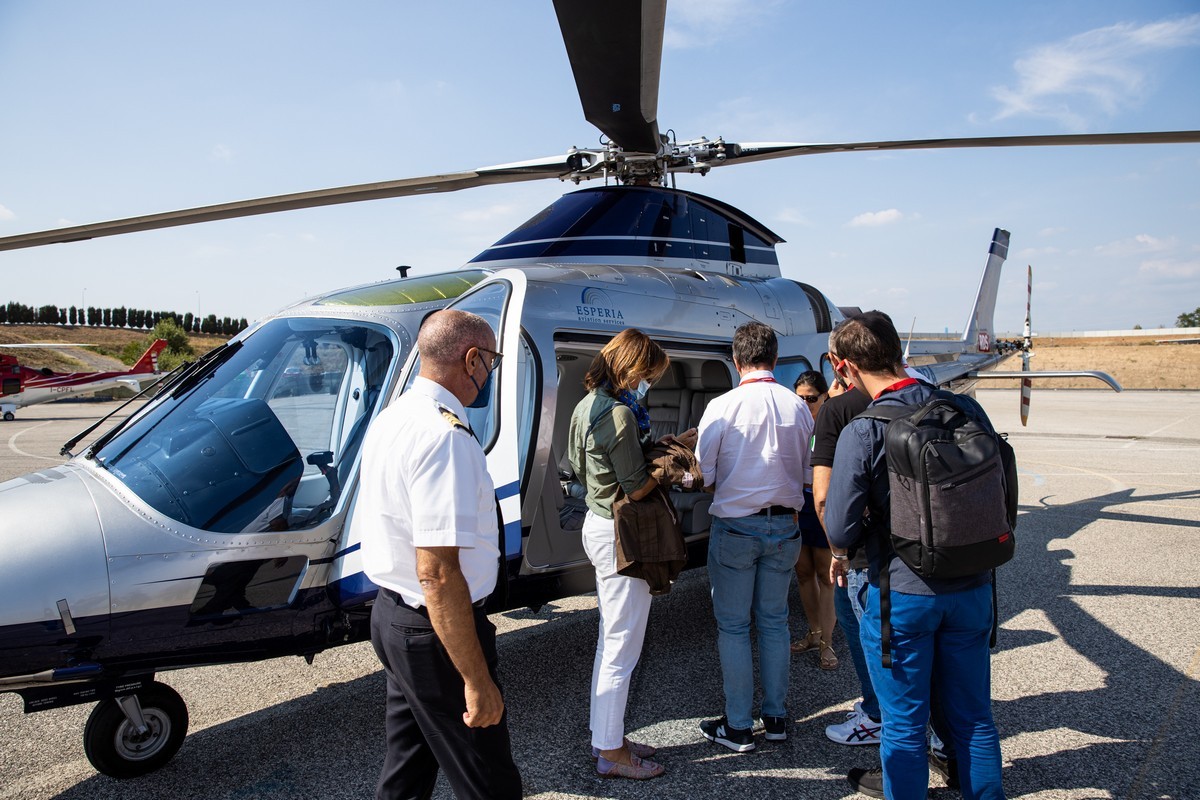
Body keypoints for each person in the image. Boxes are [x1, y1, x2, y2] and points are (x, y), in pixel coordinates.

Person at [825, 312, 1004, 800]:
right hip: (971, 586)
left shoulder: (865, 429)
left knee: (905, 725)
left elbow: (838, 527)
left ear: (844, 367)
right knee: (973, 719)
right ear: (897, 352)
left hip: (900, 594)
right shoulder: (967, 410)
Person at [353, 309, 523, 800]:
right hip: (435, 630)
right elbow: (438, 574)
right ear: (471, 360)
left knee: (407, 769)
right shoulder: (445, 435)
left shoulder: (395, 416)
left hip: (393, 616)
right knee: (489, 781)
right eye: (490, 361)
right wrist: (475, 679)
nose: (489, 372)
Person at [696, 321, 813, 751]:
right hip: (785, 526)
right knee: (775, 622)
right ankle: (777, 717)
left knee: (733, 626)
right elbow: (806, 472)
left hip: (736, 527)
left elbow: (703, 473)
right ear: (776, 359)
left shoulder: (722, 406)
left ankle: (739, 726)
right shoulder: (797, 406)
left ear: (736, 359)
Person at [567, 328, 670, 780]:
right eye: (648, 374)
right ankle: (611, 752)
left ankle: (608, 736)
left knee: (612, 640)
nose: (649, 383)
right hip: (620, 533)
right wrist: (670, 467)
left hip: (597, 524)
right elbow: (638, 486)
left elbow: (578, 464)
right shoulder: (621, 417)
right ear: (631, 369)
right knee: (621, 647)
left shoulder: (584, 405)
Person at [790, 371, 838, 670]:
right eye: (800, 398)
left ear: (824, 397)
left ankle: (827, 643)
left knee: (826, 575)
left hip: (822, 501)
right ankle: (813, 631)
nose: (805, 404)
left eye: (811, 398)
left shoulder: (829, 424)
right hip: (798, 502)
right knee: (803, 573)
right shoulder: (794, 424)